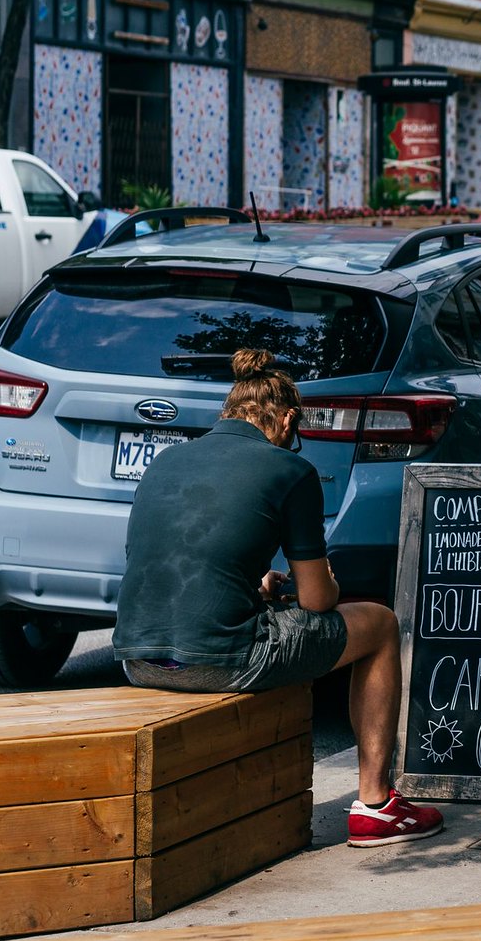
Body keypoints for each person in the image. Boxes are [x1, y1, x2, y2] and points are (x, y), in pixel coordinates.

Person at [114, 349, 443, 849]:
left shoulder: (167, 460)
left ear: (228, 412)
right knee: (378, 625)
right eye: (298, 430)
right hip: (220, 661)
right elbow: (315, 601)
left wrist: (252, 585)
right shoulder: (289, 471)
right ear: (288, 419)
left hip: (139, 658)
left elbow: (177, 562)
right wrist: (317, 581)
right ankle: (377, 805)